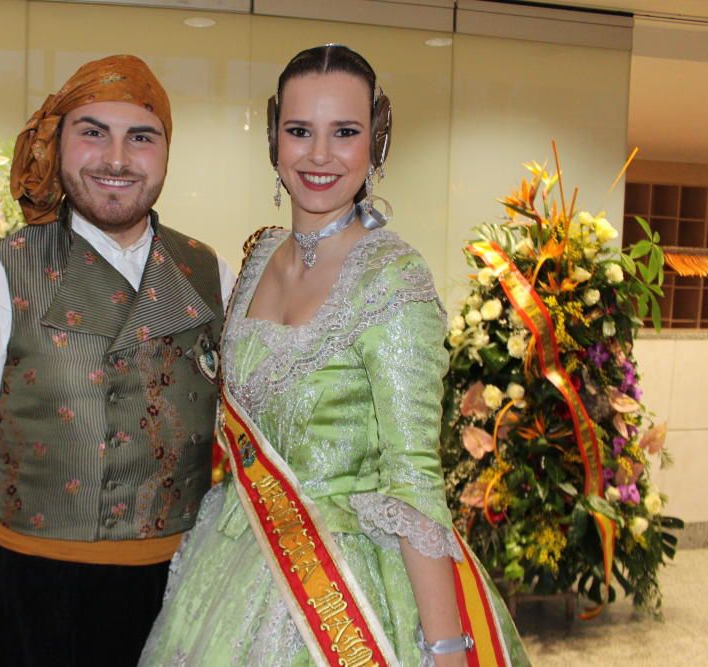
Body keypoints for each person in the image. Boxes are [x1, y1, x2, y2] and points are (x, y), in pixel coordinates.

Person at [139, 45, 529, 667]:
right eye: (300, 131)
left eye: (344, 132)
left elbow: (415, 478)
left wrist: (446, 647)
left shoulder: (394, 280)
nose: (319, 155)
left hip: (353, 585)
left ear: (376, 140)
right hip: (238, 549)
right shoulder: (259, 257)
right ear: (274, 139)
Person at [0, 54, 236, 666]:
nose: (116, 159)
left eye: (141, 137)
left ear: (166, 151)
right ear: (57, 144)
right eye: (93, 132)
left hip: (181, 592)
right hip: (32, 595)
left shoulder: (209, 273)